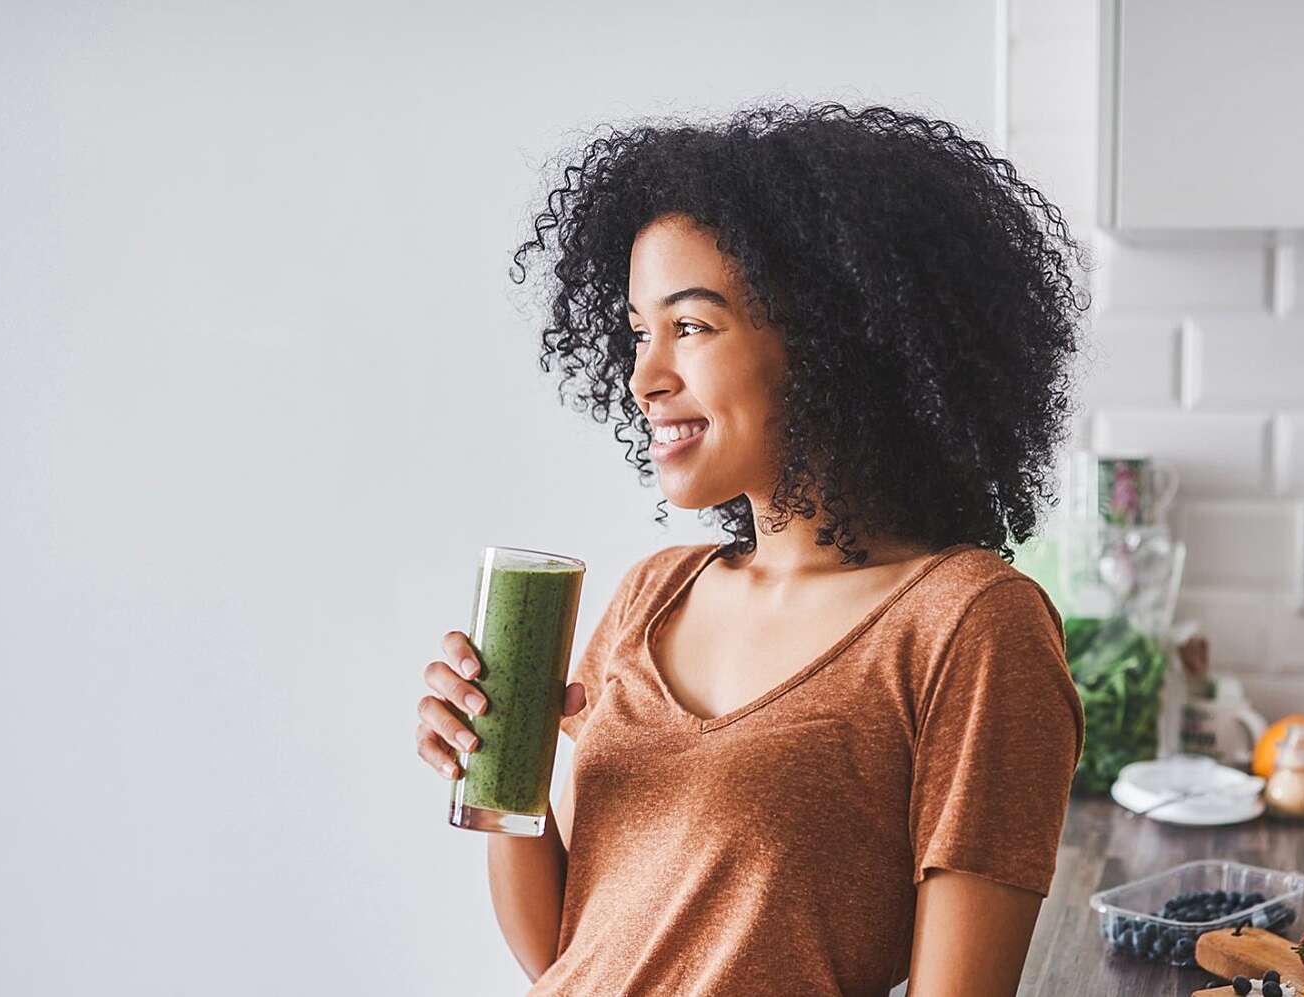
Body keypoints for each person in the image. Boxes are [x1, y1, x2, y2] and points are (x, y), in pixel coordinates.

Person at [413, 101, 1092, 996]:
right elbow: (567, 953)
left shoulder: (968, 625)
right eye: (637, 331)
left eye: (690, 326)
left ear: (828, 336)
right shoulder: (653, 594)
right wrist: (507, 772)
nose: (646, 377)